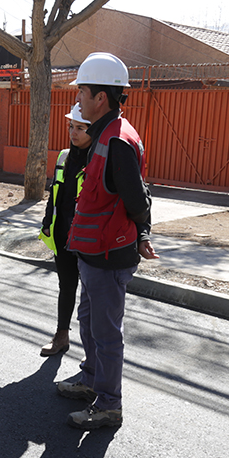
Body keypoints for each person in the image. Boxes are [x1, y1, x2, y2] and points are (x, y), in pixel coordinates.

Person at [56, 52, 159, 429]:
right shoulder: (105, 133)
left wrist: (141, 233)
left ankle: (109, 404)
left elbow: (137, 198)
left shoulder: (115, 141)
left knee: (106, 332)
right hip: (93, 252)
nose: (78, 98)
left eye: (82, 91)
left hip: (109, 253)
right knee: (88, 320)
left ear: (102, 97)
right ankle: (90, 379)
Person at [38, 103, 91, 357]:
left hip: (89, 237)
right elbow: (54, 193)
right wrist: (47, 221)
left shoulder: (99, 159)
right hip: (63, 235)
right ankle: (62, 336)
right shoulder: (63, 156)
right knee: (66, 287)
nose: (73, 132)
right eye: (72, 126)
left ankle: (92, 351)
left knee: (91, 297)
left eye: (80, 128)